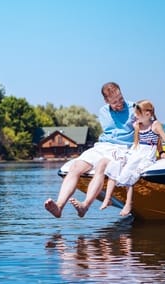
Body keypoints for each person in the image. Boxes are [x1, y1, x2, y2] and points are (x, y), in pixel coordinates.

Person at [82, 99, 165, 217]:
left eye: (137, 114)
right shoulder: (137, 125)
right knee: (115, 165)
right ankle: (108, 198)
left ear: (147, 114)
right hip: (136, 151)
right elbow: (123, 128)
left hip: (146, 154)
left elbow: (163, 139)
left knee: (130, 172)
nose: (134, 116)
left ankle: (128, 203)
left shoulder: (155, 125)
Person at [44, 82, 134, 218]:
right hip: (102, 146)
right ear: (106, 101)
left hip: (121, 148)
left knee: (101, 166)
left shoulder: (134, 108)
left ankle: (85, 205)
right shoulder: (103, 111)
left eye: (120, 98)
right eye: (114, 102)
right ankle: (59, 206)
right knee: (75, 166)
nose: (119, 103)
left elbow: (151, 124)